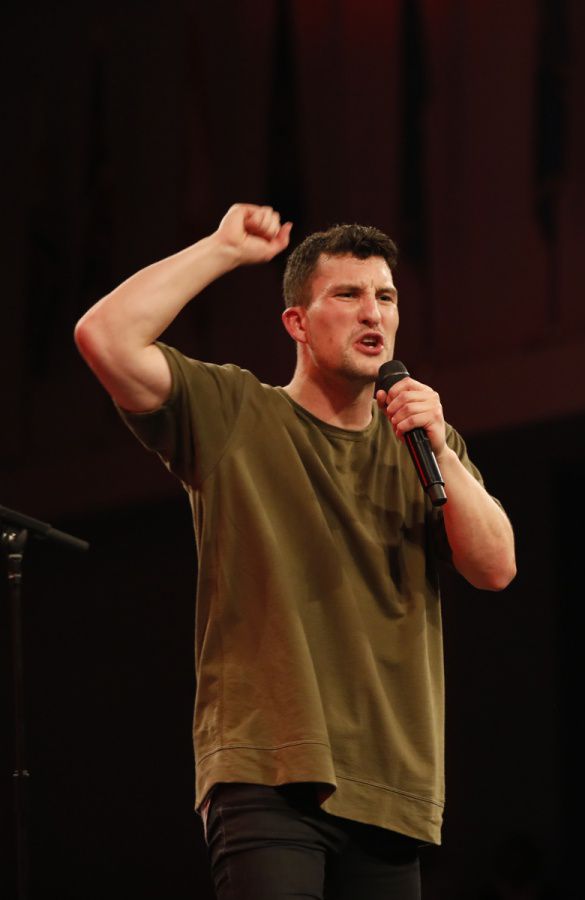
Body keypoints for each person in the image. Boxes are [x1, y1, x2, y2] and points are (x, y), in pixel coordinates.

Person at [73, 203, 516, 899]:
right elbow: (104, 336)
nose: (373, 313)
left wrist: (441, 450)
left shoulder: (425, 444)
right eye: (348, 295)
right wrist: (222, 250)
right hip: (268, 771)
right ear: (297, 323)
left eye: (386, 297)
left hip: (391, 784)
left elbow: (495, 568)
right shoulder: (234, 412)